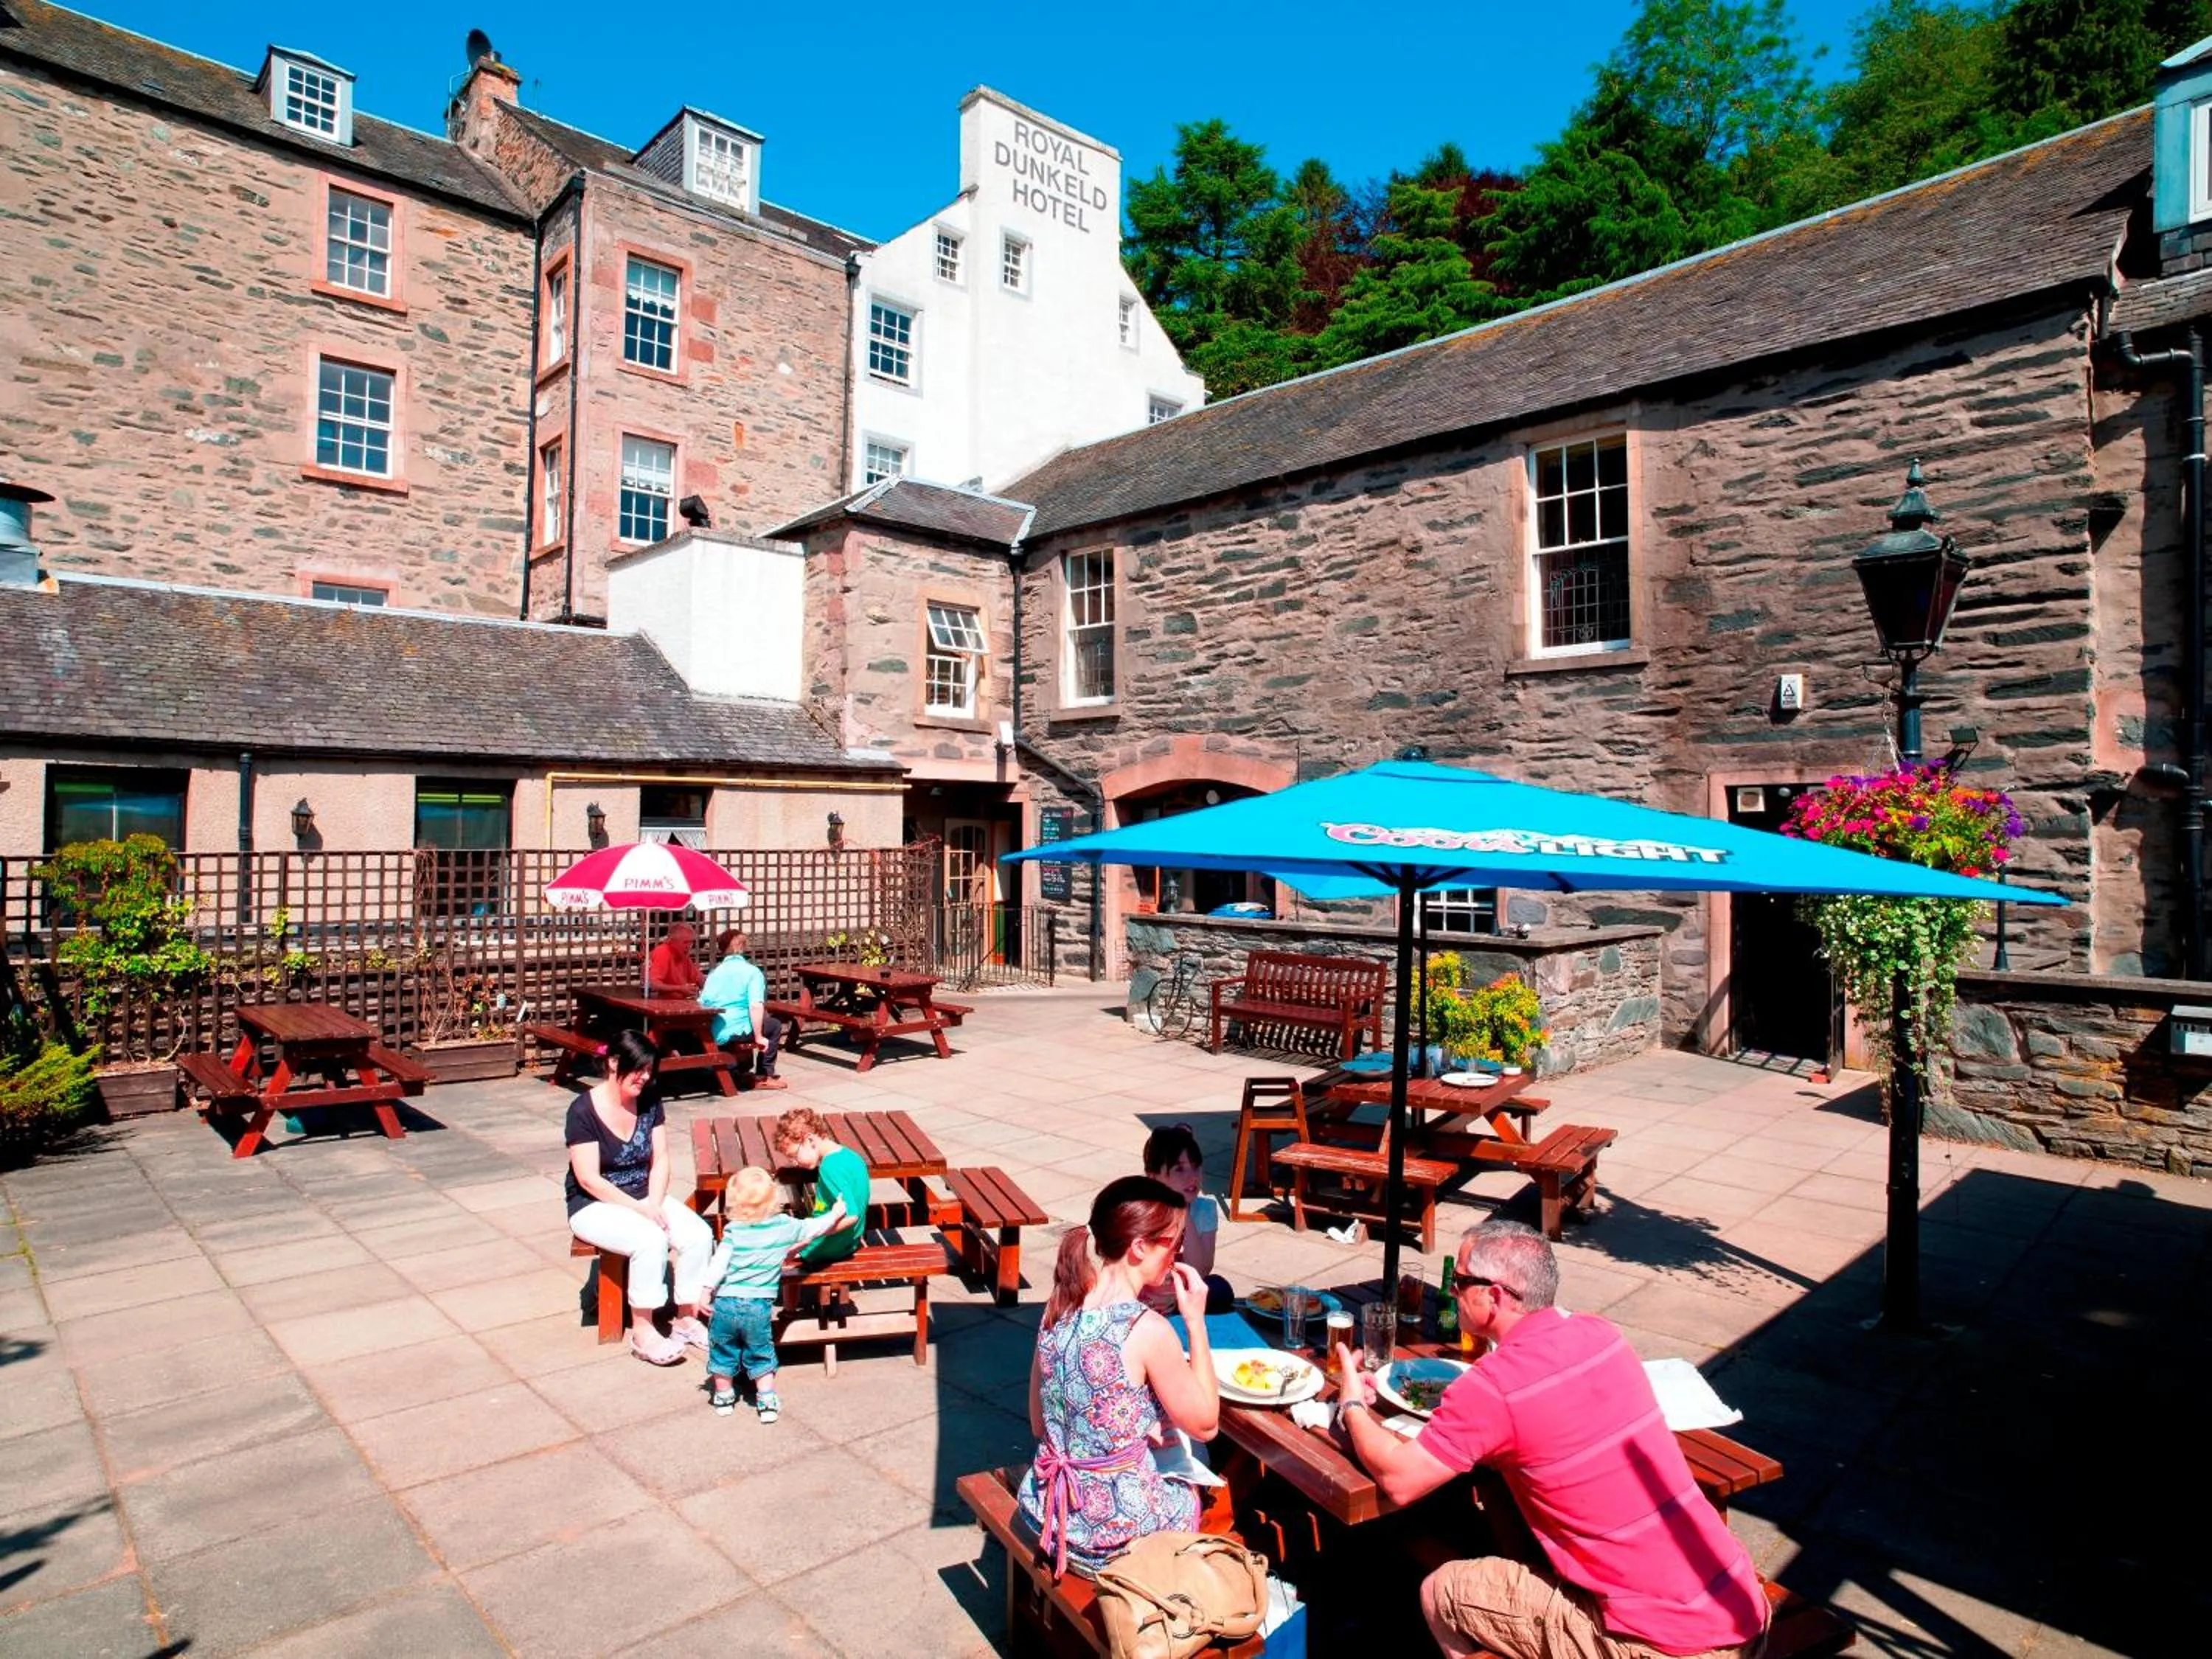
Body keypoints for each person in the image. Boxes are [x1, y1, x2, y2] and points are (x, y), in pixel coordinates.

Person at [1329, 1220, 1769, 1659]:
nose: (1452, 1290)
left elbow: (1400, 1481)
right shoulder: (1602, 1336)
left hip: (1662, 1645)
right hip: (1740, 1606)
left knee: (1442, 1591)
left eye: (1461, 1282)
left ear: (1495, 1295)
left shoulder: (1495, 1388)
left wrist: (1351, 1404)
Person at [1016, 1176, 1220, 1580]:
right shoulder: (1145, 1328)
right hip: (1109, 1539)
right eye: (1173, 1243)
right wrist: (1195, 1321)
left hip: (1046, 1513)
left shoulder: (1058, 1306)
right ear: (1139, 1247)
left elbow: (1041, 1423)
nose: (1178, 1254)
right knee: (1205, 1471)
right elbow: (1207, 1423)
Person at [563, 1030, 717, 1366]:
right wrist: (640, 1210)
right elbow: (589, 1179)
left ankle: (687, 1318)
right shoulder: (582, 1111)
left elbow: (661, 1158)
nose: (645, 1077)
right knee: (650, 1240)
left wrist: (655, 1202)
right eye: (639, 1070)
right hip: (594, 1204)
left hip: (645, 1195)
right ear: (614, 1063)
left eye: (650, 1070)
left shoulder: (649, 1098)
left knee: (699, 1235)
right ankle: (643, 1331)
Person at [700, 1166, 847, 1425]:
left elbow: (718, 1263)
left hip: (726, 1302)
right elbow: (814, 1228)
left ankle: (723, 1396)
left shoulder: (735, 1230)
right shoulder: (785, 1226)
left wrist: (706, 1290)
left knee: (723, 1350)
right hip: (758, 1306)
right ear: (774, 1198)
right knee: (761, 1352)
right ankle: (766, 1400)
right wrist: (836, 1213)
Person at [1138, 1123, 1234, 1315]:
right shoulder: (1141, 1212)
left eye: (1196, 1168)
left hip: (1184, 1300)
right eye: (1179, 1170)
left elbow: (1200, 1269)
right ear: (1153, 1177)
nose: (1192, 1178)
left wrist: (1183, 1213)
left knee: (1220, 1288)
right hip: (1143, 1303)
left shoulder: (1204, 1210)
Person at [771, 1107, 866, 1268]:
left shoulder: (830, 1167)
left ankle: (783, 1291)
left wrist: (809, 1237)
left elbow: (851, 1216)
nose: (794, 1162)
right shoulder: (850, 1156)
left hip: (825, 1247)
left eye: (794, 1155)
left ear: (810, 1140)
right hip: (849, 1242)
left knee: (774, 1253)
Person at [698, 928, 787, 1089]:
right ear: (743, 947)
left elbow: (703, 1001)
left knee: (762, 1024)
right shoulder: (752, 972)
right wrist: (759, 1037)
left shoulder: (715, 973)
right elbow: (755, 1005)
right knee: (774, 1025)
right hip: (739, 1030)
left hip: (716, 1029)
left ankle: (741, 1070)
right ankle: (763, 1075)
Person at [646, 922, 705, 997]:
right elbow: (654, 985)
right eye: (686, 942)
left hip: (680, 1004)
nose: (689, 946)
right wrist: (680, 989)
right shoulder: (663, 952)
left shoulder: (683, 955)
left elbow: (699, 978)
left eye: (691, 942)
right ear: (673, 941)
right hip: (661, 1004)